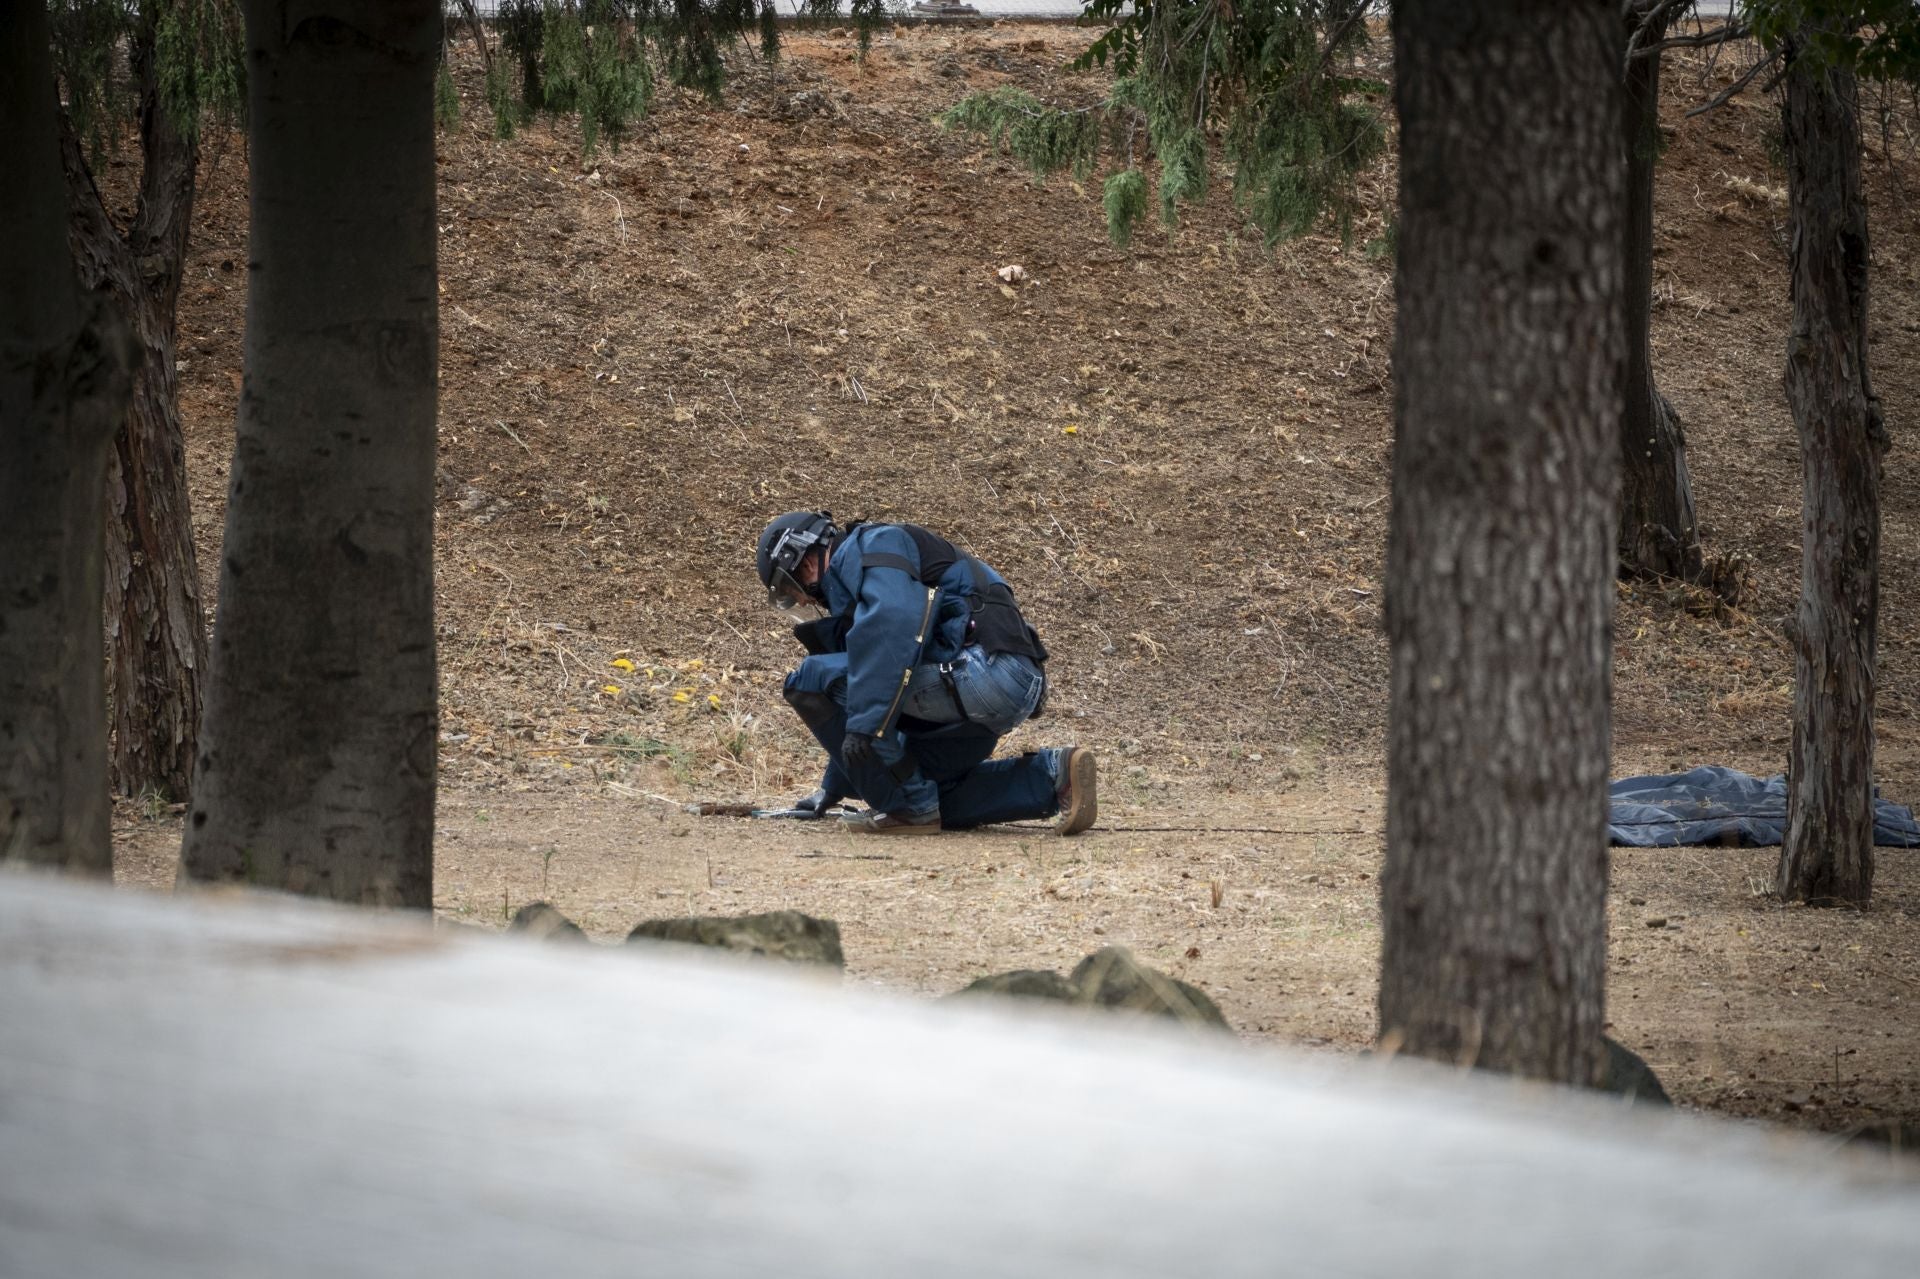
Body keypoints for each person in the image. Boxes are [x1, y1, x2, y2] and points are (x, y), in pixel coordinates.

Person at [755, 510, 1096, 836]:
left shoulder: (869, 546)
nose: (801, 600)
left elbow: (893, 626)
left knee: (809, 678)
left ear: (806, 562)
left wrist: (863, 727)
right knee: (922, 787)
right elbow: (871, 681)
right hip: (1003, 679)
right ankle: (1054, 776)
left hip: (981, 671)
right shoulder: (880, 558)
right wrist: (831, 790)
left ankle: (910, 810)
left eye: (790, 588)